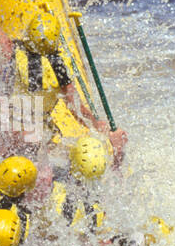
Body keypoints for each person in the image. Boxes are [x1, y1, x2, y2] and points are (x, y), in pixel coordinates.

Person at [14, 11, 127, 165]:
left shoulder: (11, 51)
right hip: (35, 129)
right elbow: (76, 109)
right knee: (85, 158)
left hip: (12, 125)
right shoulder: (57, 65)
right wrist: (104, 130)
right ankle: (114, 157)